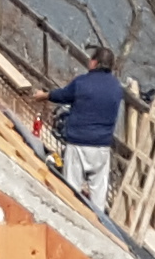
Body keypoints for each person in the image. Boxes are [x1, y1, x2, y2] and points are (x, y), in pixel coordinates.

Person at [45, 49, 130, 215]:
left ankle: (68, 217)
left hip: (78, 144)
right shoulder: (116, 88)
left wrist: (45, 95)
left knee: (70, 190)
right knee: (98, 194)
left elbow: (62, 96)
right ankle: (97, 222)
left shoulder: (82, 83)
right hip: (102, 147)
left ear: (94, 62)